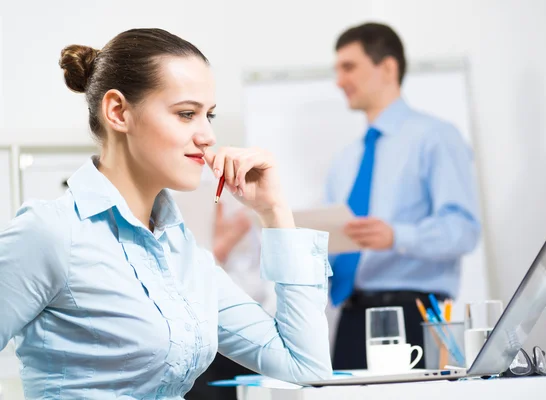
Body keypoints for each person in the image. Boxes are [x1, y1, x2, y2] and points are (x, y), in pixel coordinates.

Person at [0, 28, 332, 399]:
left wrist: (274, 212)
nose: (207, 135)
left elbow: (307, 366)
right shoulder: (51, 233)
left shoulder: (183, 252)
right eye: (187, 114)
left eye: (210, 115)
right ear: (118, 112)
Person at [327, 22, 481, 370]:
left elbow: (463, 229)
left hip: (419, 316)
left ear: (388, 67)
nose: (339, 81)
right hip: (352, 321)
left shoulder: (436, 138)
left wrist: (396, 236)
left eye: (348, 67)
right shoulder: (344, 161)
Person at [181, 169, 275, 400]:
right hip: (205, 344)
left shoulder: (263, 222)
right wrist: (220, 249)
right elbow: (184, 287)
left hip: (256, 341)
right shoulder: (188, 203)